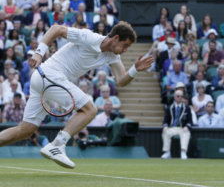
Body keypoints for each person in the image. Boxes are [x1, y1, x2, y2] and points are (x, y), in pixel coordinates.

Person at [0, 21, 154, 169]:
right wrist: (39, 53)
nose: (125, 49)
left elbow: (121, 80)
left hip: (42, 80)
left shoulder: (113, 56)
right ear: (115, 38)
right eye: (125, 45)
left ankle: (56, 146)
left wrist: (134, 70)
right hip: (49, 76)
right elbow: (56, 29)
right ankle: (57, 146)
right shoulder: (89, 37)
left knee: (25, 130)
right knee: (90, 109)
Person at [161, 90, 192, 160]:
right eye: (178, 96)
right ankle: (167, 152)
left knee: (186, 132)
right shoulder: (169, 108)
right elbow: (165, 120)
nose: (180, 98)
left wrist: (187, 126)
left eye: (181, 96)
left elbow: (190, 121)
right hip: (172, 128)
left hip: (182, 128)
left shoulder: (186, 108)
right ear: (174, 97)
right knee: (165, 132)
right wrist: (165, 126)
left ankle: (183, 152)